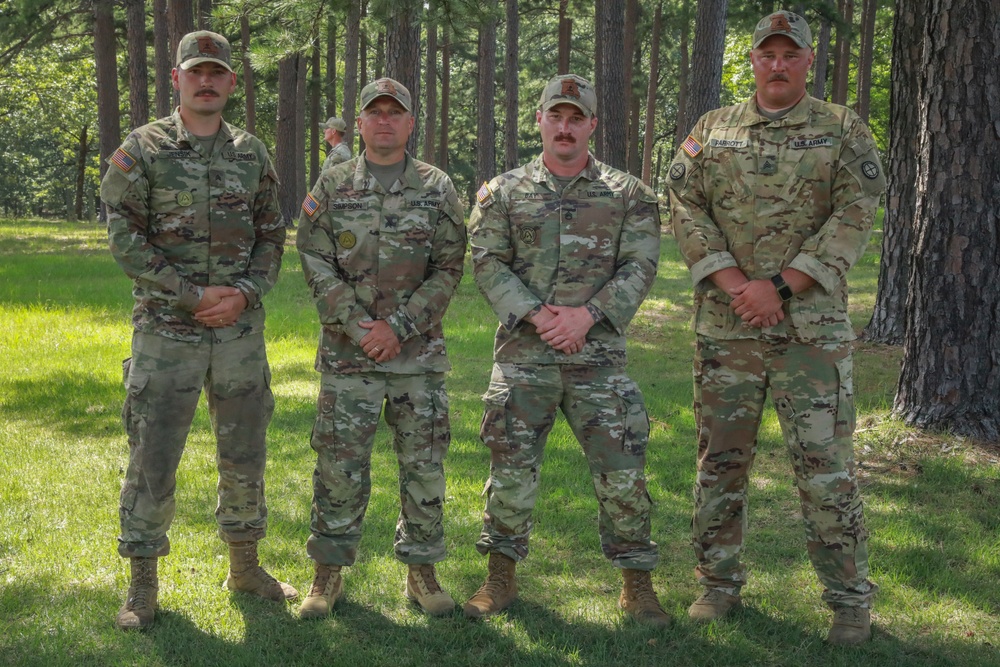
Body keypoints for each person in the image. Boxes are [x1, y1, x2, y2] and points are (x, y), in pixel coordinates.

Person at [667, 10, 886, 645]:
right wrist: (737, 285)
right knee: (720, 464)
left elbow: (857, 209)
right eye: (768, 54)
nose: (779, 64)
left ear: (809, 61)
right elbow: (684, 203)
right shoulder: (714, 129)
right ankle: (718, 583)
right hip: (728, 329)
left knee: (824, 468)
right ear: (753, 60)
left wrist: (781, 285)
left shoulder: (841, 128)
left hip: (810, 331)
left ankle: (849, 600)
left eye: (791, 54)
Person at [101, 30, 295, 631]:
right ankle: (142, 585)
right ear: (178, 79)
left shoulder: (251, 153)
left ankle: (244, 566)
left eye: (217, 73)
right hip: (166, 333)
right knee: (154, 453)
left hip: (238, 332)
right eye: (196, 72)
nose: (206, 82)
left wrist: (245, 292)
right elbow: (123, 235)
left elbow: (272, 232)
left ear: (231, 83)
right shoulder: (145, 148)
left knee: (245, 451)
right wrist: (189, 295)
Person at [464, 74, 668, 626]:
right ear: (540, 121)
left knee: (623, 472)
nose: (565, 127)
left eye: (577, 118)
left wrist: (588, 315)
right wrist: (538, 314)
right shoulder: (503, 192)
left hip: (598, 359)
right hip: (524, 358)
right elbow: (487, 261)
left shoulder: (628, 195)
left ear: (592, 126)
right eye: (556, 116)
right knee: (511, 472)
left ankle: (637, 583)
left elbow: (641, 264)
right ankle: (500, 577)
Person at [295, 77, 467, 619]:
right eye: (376, 113)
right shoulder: (332, 184)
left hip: (417, 357)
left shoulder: (438, 187)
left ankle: (422, 571)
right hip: (349, 354)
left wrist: (399, 326)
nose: (386, 121)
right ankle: (327, 572)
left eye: (397, 112)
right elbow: (314, 257)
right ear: (361, 123)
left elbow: (449, 266)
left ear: (411, 124)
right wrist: (359, 324)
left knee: (423, 463)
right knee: (340, 465)